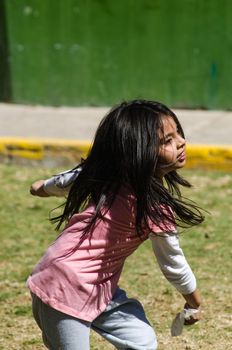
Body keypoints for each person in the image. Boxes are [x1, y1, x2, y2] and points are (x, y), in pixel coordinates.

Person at [28, 99, 204, 350]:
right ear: (139, 151)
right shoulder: (149, 204)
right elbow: (173, 263)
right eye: (167, 140)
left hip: (99, 288)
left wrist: (42, 187)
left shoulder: (121, 181)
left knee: (142, 341)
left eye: (178, 133)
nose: (181, 141)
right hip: (63, 284)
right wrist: (194, 301)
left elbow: (71, 179)